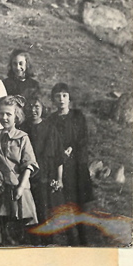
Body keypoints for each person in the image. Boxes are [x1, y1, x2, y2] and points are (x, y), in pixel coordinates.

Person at [0, 95, 38, 245]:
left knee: (20, 227)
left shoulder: (23, 138)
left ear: (16, 116)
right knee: (2, 225)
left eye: (8, 114)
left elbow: (29, 164)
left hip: (19, 187)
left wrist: (21, 187)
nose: (4, 117)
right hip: (0, 187)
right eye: (1, 113)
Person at [48, 82, 94, 245]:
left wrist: (71, 148)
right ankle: (70, 238)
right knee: (65, 202)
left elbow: (83, 138)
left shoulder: (77, 116)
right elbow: (51, 141)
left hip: (77, 165)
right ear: (53, 99)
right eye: (57, 96)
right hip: (61, 166)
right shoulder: (51, 119)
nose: (61, 99)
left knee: (80, 202)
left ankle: (83, 238)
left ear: (69, 98)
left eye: (64, 95)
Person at [22, 92, 64, 229]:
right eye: (30, 107)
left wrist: (59, 178)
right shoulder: (22, 128)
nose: (33, 110)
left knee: (45, 213)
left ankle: (47, 243)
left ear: (43, 107)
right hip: (27, 177)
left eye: (36, 106)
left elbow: (58, 157)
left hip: (45, 177)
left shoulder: (51, 129)